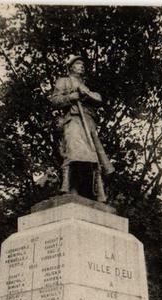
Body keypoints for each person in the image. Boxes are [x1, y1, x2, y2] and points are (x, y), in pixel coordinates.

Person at [49, 54, 114, 202]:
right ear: (71, 67)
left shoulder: (86, 87)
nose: (82, 66)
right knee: (73, 151)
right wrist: (70, 98)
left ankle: (98, 192)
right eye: (78, 64)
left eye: (83, 64)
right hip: (73, 119)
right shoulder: (64, 81)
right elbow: (55, 100)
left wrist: (87, 95)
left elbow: (98, 99)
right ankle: (67, 186)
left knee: (94, 157)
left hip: (88, 122)